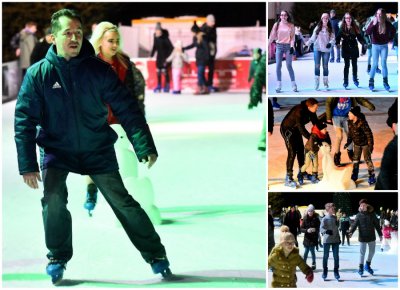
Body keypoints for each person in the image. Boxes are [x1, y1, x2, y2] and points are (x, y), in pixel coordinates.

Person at [14, 9, 171, 285]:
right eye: (67, 33)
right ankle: (57, 257)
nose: (74, 38)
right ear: (53, 37)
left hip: (96, 148)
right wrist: (27, 164)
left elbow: (127, 108)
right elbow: (25, 120)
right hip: (56, 150)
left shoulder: (99, 70)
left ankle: (156, 255)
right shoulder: (39, 74)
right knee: (52, 199)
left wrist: (143, 143)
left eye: (78, 32)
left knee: (122, 201)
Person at [84, 22, 149, 218]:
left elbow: (137, 87)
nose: (114, 45)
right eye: (110, 41)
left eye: (117, 41)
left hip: (120, 120)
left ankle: (122, 197)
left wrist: (138, 111)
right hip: (96, 120)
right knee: (92, 159)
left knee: (121, 159)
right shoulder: (89, 63)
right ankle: (91, 191)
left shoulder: (124, 62)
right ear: (100, 41)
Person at [280, 98, 320, 188]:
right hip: (287, 130)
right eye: (316, 107)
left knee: (301, 150)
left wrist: (322, 131)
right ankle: (288, 178)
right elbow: (301, 128)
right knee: (292, 152)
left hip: (296, 129)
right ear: (310, 106)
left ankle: (302, 172)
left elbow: (316, 123)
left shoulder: (312, 111)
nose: (317, 109)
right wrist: (311, 138)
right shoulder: (299, 111)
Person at [325, 97, 375, 166]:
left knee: (351, 134)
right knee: (339, 136)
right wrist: (328, 116)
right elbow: (328, 102)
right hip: (336, 116)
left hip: (347, 116)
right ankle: (337, 155)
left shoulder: (351, 94)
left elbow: (360, 99)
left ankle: (351, 153)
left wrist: (368, 105)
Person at [348, 199, 382, 276]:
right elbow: (354, 225)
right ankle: (361, 267)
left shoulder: (372, 214)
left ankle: (367, 265)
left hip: (371, 237)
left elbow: (377, 225)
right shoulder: (358, 215)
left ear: (367, 205)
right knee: (362, 253)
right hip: (362, 237)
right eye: (361, 205)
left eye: (364, 205)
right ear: (360, 206)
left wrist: (380, 234)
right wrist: (351, 232)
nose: (362, 206)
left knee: (372, 252)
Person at [366, 8, 396, 91]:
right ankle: (371, 82)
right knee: (375, 64)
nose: (379, 15)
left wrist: (390, 39)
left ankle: (385, 82)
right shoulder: (373, 22)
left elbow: (393, 30)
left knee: (383, 64)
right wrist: (373, 24)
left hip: (384, 46)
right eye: (377, 13)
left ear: (383, 15)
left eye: (380, 14)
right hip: (375, 46)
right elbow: (367, 32)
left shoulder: (387, 23)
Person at [344, 106, 375, 185]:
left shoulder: (362, 122)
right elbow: (350, 134)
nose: (348, 114)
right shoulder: (349, 122)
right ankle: (354, 174)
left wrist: (370, 145)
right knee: (355, 160)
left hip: (365, 144)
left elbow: (369, 134)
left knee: (367, 160)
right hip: (357, 144)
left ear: (355, 115)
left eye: (350, 113)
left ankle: (371, 175)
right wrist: (348, 142)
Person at [268, 10, 298, 93]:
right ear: (280, 17)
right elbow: (272, 35)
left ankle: (293, 84)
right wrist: (267, 44)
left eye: (285, 15)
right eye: (282, 15)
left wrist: (292, 46)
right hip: (279, 46)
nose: (283, 16)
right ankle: (278, 84)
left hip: (288, 46)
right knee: (278, 65)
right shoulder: (276, 25)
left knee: (289, 65)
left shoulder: (291, 25)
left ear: (287, 16)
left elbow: (292, 38)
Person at [336, 12, 366, 89]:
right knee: (346, 65)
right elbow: (338, 37)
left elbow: (360, 37)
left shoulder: (355, 27)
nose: (348, 19)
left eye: (349, 18)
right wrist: (337, 43)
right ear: (344, 19)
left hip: (353, 47)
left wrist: (363, 43)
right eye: (346, 18)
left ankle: (355, 79)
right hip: (345, 47)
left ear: (351, 19)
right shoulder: (342, 27)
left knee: (354, 65)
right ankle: (346, 81)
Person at [306, 13, 335, 91]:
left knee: (325, 66)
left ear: (328, 19)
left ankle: (325, 83)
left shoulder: (330, 28)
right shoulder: (318, 27)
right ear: (321, 19)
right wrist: (307, 44)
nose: (325, 19)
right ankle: (317, 83)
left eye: (326, 18)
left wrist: (330, 43)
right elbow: (313, 37)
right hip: (317, 48)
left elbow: (333, 38)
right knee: (317, 65)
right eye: (323, 18)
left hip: (326, 50)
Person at [184, 21, 210, 95]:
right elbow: (193, 45)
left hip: (203, 58)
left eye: (192, 32)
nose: (192, 33)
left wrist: (207, 58)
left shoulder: (203, 37)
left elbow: (206, 48)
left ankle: (200, 88)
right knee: (201, 73)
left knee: (199, 73)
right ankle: (205, 88)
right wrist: (184, 48)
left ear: (195, 31)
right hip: (198, 58)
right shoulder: (195, 38)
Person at [150, 22, 174, 93]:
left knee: (164, 71)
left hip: (165, 57)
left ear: (160, 31)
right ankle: (159, 85)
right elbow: (154, 46)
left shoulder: (165, 38)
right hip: (159, 57)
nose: (156, 32)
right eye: (156, 30)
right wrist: (151, 55)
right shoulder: (155, 36)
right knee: (158, 72)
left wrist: (168, 57)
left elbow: (171, 47)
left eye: (158, 30)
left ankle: (167, 85)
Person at [320, 202, 341, 280]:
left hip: (335, 240)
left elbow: (336, 228)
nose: (334, 209)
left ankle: (336, 271)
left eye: (334, 208)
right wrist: (326, 231)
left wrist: (339, 238)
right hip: (327, 240)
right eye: (332, 208)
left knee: (336, 257)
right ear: (328, 209)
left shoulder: (335, 218)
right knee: (326, 257)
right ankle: (325, 271)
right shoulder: (324, 219)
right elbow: (321, 228)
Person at [200, 14, 218, 92]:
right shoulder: (203, 29)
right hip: (204, 54)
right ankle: (204, 85)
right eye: (212, 22)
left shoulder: (213, 29)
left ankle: (209, 84)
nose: (213, 23)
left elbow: (214, 41)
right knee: (202, 69)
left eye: (214, 22)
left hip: (212, 53)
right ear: (208, 21)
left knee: (211, 69)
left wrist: (214, 51)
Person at [300, 204, 320, 270]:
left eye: (311, 211)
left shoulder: (316, 219)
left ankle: (313, 263)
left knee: (312, 252)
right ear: (307, 211)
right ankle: (304, 264)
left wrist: (315, 229)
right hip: (307, 238)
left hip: (313, 238)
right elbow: (301, 229)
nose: (310, 212)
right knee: (306, 252)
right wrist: (306, 230)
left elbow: (319, 228)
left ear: (313, 211)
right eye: (309, 211)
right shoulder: (305, 219)